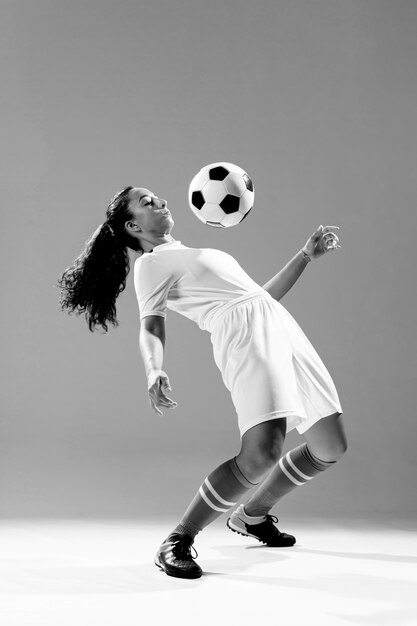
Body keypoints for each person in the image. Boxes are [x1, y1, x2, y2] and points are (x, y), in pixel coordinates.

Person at [58, 185, 347, 580]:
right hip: (245, 340)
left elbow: (260, 298)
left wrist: (304, 257)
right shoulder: (151, 264)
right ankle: (177, 539)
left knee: (330, 445)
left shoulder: (194, 251)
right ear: (133, 225)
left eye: (157, 197)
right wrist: (153, 368)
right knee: (261, 454)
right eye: (146, 203)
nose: (159, 201)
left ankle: (252, 516)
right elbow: (151, 326)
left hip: (280, 328)